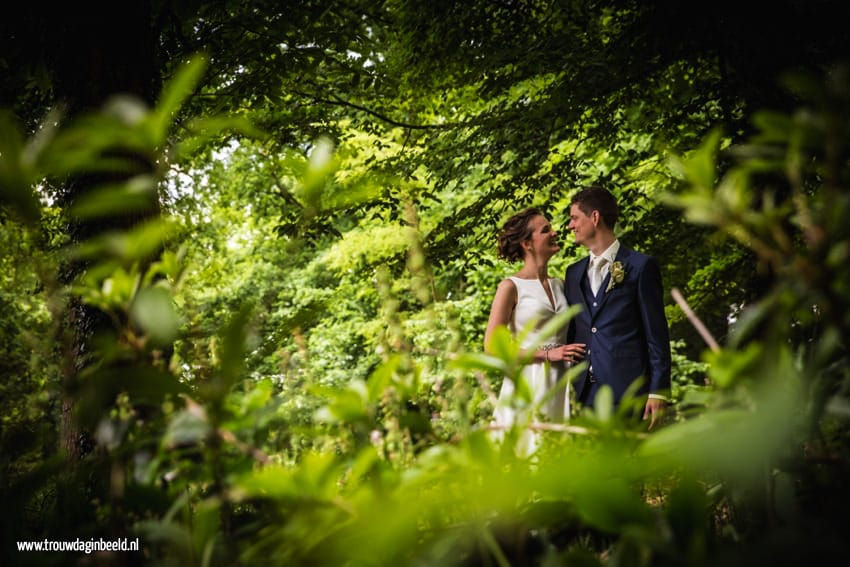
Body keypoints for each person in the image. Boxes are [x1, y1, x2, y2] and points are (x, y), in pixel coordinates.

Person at [564, 186, 671, 428]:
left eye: (574, 218)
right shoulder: (573, 273)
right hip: (582, 394)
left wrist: (658, 391)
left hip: (628, 392)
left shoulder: (641, 267)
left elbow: (656, 334)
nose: (570, 225)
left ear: (595, 217)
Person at [485, 208, 587, 454]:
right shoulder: (510, 287)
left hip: (563, 381)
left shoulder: (560, 284)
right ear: (527, 243)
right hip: (529, 381)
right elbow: (491, 347)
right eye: (546, 230)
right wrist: (547, 354)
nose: (555, 232)